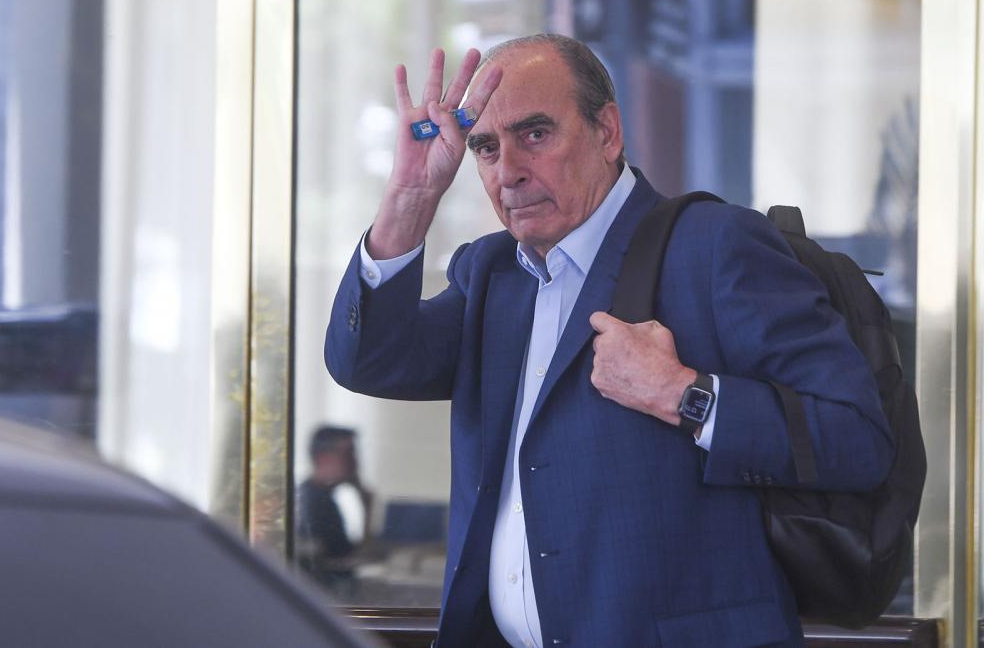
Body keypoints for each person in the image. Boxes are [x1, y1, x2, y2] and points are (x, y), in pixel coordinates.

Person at [324, 33, 894, 647]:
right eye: (486, 148)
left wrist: (685, 395)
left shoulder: (715, 246)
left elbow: (857, 439)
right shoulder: (489, 272)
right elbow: (367, 362)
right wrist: (410, 198)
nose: (509, 172)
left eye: (535, 134)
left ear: (608, 132)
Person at [296, 425, 374, 591]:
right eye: (349, 454)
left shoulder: (323, 497)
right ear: (323, 458)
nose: (356, 462)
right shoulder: (312, 502)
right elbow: (334, 560)